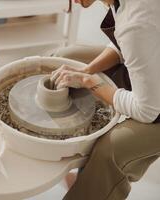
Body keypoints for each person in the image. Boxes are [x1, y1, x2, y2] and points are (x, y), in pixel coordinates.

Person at [50, 0, 160, 199]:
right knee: (65, 57)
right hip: (152, 62)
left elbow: (147, 110)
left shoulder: (136, 24)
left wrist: (88, 81)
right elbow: (124, 43)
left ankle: (95, 185)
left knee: (111, 149)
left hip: (155, 107)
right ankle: (89, 178)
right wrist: (87, 69)